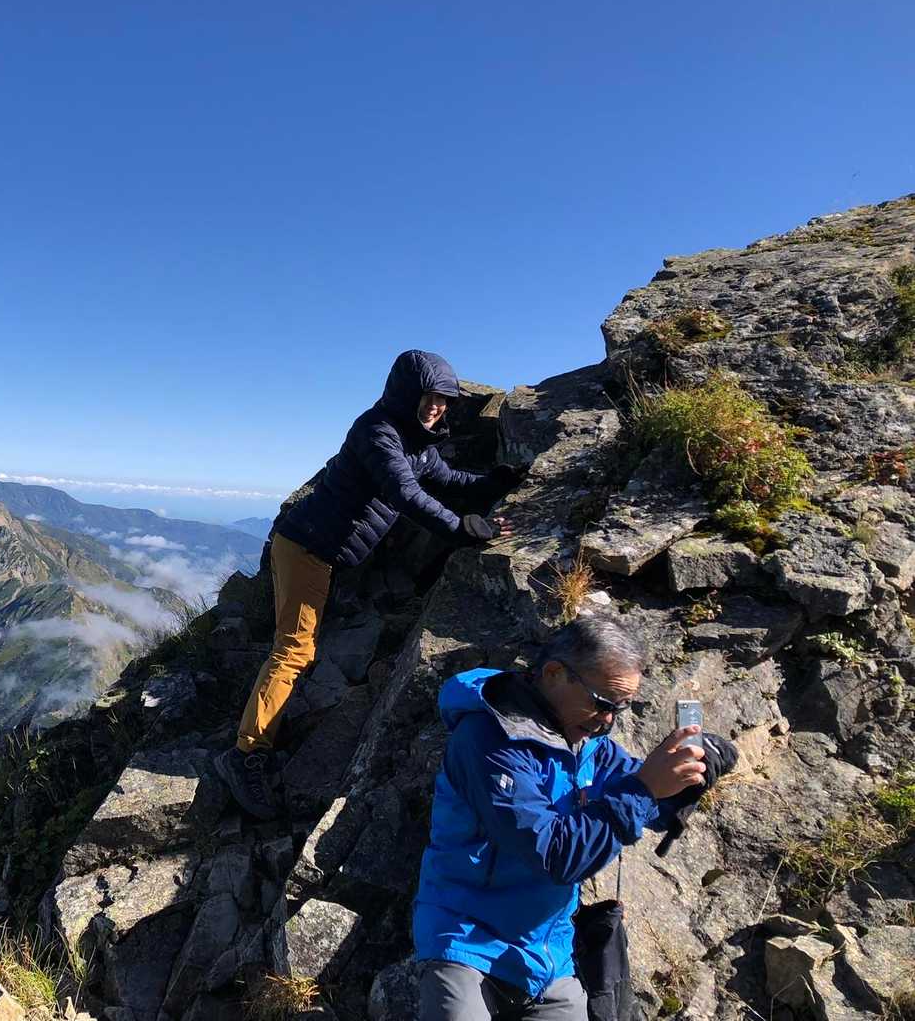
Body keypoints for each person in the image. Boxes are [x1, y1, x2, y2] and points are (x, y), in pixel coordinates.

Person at [212, 349, 517, 819]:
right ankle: (245, 753)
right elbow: (405, 493)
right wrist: (460, 529)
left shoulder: (417, 444)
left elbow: (450, 479)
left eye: (444, 400)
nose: (437, 406)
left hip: (325, 553)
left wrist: (500, 481)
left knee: (306, 646)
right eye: (429, 396)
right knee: (294, 651)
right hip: (305, 548)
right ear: (406, 394)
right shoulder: (378, 432)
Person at [414, 616, 727, 1021]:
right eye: (603, 702)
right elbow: (554, 855)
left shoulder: (588, 744)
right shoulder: (488, 740)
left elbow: (651, 805)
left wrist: (690, 774)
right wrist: (645, 787)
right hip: (465, 941)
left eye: (621, 707)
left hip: (547, 956)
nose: (608, 719)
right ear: (554, 674)